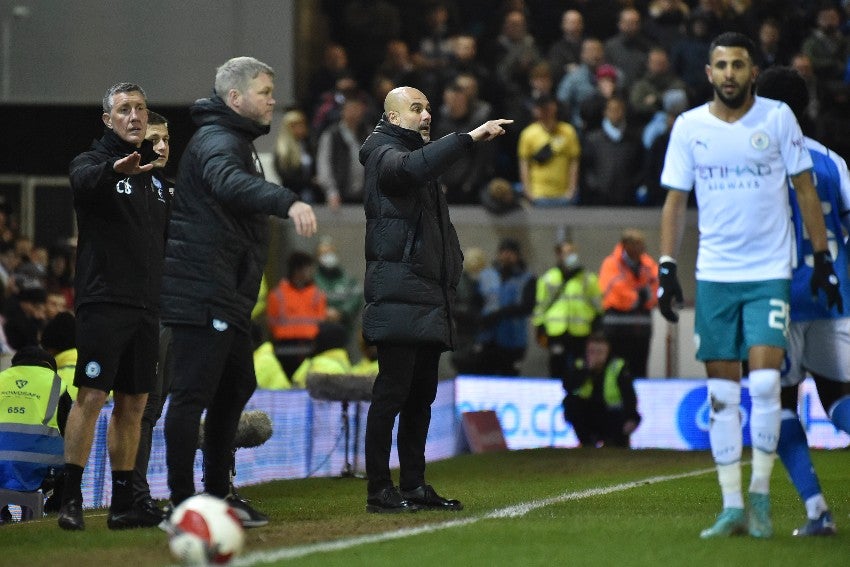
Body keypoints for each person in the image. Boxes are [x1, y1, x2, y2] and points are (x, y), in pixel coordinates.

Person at [657, 33, 841, 540]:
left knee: (763, 385)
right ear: (709, 73)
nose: (730, 73)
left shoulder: (778, 118)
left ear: (752, 71)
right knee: (720, 393)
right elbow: (675, 201)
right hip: (715, 275)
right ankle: (731, 506)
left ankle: (760, 497)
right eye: (721, 65)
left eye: (739, 64)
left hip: (768, 273)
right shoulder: (689, 127)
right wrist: (667, 265)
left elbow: (805, 189)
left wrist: (822, 259)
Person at [160, 57, 317, 527]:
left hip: (224, 292)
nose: (273, 99)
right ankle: (184, 502)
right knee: (190, 396)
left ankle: (217, 493)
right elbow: (231, 186)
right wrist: (287, 200)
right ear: (235, 98)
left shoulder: (234, 140)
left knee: (236, 386)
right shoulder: (217, 142)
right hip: (201, 289)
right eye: (265, 91)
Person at [359, 85, 510, 512]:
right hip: (398, 296)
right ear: (392, 118)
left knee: (421, 395)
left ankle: (412, 485)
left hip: (424, 297)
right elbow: (408, 170)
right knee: (392, 393)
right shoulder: (383, 156)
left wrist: (453, 266)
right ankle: (377, 489)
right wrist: (468, 137)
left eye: (428, 108)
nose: (426, 116)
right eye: (416, 109)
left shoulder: (416, 161)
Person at [58, 83, 169, 531]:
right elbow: (81, 181)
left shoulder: (156, 181)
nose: (134, 115)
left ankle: (125, 502)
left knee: (135, 403)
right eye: (124, 109)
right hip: (104, 300)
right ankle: (69, 499)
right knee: (91, 396)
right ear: (108, 120)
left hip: (146, 306)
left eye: (140, 108)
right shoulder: (94, 163)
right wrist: (112, 170)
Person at [755, 65, 850, 537]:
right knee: (839, 397)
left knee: (775, 402)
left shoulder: (755, 161)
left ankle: (817, 511)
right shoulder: (833, 161)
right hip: (834, 296)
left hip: (776, 296)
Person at [131, 110, 173, 522]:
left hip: (171, 311)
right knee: (141, 405)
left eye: (166, 140)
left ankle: (144, 490)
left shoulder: (167, 190)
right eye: (154, 139)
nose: (161, 147)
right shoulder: (129, 188)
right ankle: (131, 490)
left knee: (155, 405)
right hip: (142, 312)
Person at [0, 347, 69, 523]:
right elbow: (71, 432)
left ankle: (4, 515)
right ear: (49, 367)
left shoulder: (1, 379)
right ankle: (56, 506)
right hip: (41, 467)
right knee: (73, 453)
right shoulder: (56, 383)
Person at [533, 240, 602, 379]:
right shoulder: (548, 279)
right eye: (568, 252)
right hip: (556, 331)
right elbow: (540, 306)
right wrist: (540, 326)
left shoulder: (588, 278)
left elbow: (598, 304)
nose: (572, 256)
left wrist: (597, 323)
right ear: (558, 255)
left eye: (573, 252)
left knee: (581, 368)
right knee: (557, 367)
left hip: (581, 331)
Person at [562, 332, 641, 448]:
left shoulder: (618, 366)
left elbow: (629, 397)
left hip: (612, 415)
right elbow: (568, 387)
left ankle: (616, 442)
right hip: (589, 413)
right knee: (570, 403)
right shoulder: (580, 365)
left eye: (600, 352)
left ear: (607, 352)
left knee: (622, 427)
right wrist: (587, 371)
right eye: (592, 352)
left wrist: (631, 418)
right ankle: (587, 442)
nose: (596, 356)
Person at [599, 230, 658, 378]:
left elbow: (657, 286)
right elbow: (614, 289)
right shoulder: (611, 263)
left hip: (641, 331)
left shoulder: (648, 263)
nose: (642, 248)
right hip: (616, 331)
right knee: (615, 372)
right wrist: (639, 298)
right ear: (626, 245)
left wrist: (644, 297)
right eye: (637, 244)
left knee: (640, 372)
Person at [477, 238, 536, 376]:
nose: (506, 255)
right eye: (503, 251)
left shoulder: (527, 278)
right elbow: (478, 301)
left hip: (513, 340)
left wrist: (500, 313)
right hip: (488, 337)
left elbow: (527, 306)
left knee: (510, 377)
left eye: (510, 252)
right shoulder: (487, 276)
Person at [267, 251, 327, 378]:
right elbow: (271, 323)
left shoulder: (317, 294)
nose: (310, 272)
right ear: (297, 270)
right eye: (308, 269)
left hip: (310, 347)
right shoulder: (277, 295)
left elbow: (322, 321)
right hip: (284, 349)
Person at [517, 94, 581, 206]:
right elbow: (524, 164)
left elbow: (574, 162)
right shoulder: (528, 134)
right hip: (538, 194)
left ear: (554, 107)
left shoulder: (568, 131)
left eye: (547, 107)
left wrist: (571, 190)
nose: (545, 111)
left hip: (563, 194)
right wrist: (528, 192)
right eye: (541, 108)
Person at [313, 236, 362, 346]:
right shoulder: (312, 280)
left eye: (331, 252)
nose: (328, 257)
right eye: (324, 254)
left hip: (344, 332)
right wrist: (323, 312)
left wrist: (341, 312)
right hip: (319, 333)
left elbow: (356, 297)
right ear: (317, 256)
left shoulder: (347, 279)